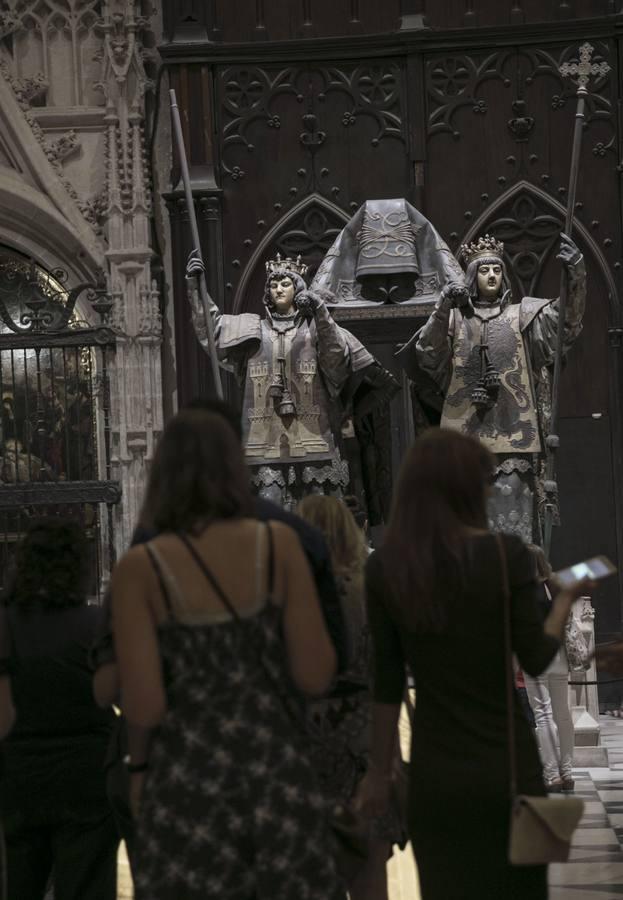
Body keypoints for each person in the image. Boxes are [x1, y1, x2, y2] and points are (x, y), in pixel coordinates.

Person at [111, 408, 344, 900]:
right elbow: (316, 672)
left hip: (188, 784)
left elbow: (145, 705)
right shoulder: (277, 545)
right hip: (275, 774)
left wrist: (138, 770)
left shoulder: (141, 568)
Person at [356, 428, 589, 900]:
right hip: (509, 768)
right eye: (485, 483)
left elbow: (384, 685)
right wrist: (563, 599)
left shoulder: (387, 569)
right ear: (465, 488)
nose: (490, 492)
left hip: (436, 774)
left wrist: (379, 774)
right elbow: (538, 654)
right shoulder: (505, 557)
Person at [398, 232, 586, 544]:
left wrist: (575, 272)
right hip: (463, 444)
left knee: (515, 536)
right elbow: (427, 352)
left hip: (514, 442)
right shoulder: (455, 320)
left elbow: (564, 322)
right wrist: (444, 303)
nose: (491, 276)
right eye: (484, 270)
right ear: (472, 276)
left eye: (497, 270)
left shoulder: (522, 316)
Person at [186, 252, 397, 510]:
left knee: (320, 521)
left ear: (298, 288)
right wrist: (196, 286)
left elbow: (337, 361)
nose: (278, 289)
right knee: (269, 523)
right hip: (263, 446)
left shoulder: (317, 330)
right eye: (273, 285)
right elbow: (213, 329)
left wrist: (319, 310)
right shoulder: (252, 329)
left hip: (314, 442)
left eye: (285, 283)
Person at [0, 518, 118, 900]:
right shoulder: (96, 625)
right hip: (87, 776)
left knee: (20, 885)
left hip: (21, 776)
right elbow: (118, 697)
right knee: (87, 886)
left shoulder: (6, 626)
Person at [297, 495, 394, 900]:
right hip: (363, 734)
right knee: (369, 870)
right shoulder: (370, 587)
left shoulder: (292, 593)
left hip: (307, 735)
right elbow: (388, 669)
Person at [524, 544, 575, 793]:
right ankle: (567, 772)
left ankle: (552, 774)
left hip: (537, 658)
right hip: (559, 656)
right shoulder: (555, 587)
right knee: (563, 715)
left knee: (543, 716)